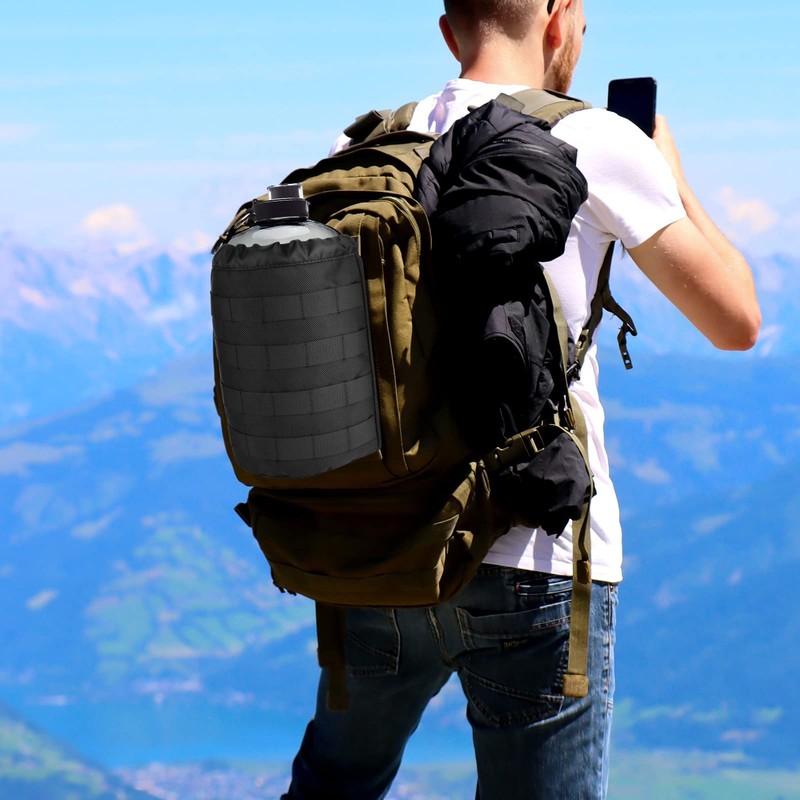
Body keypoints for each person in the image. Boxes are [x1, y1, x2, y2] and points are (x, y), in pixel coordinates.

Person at [282, 1, 761, 797]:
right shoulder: (599, 141)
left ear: (449, 31)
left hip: (379, 550)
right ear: (559, 17)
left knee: (333, 783)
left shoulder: (361, 148)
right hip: (538, 554)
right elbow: (737, 321)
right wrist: (668, 173)